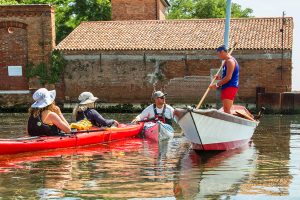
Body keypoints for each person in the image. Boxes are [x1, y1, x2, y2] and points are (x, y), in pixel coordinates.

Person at [209, 45, 239, 114]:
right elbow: (228, 76)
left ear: (222, 52)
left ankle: (230, 124)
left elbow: (228, 78)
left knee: (226, 109)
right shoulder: (226, 61)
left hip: (230, 86)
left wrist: (216, 85)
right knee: (226, 109)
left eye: (218, 54)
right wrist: (220, 78)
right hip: (228, 86)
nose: (218, 56)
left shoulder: (230, 61)